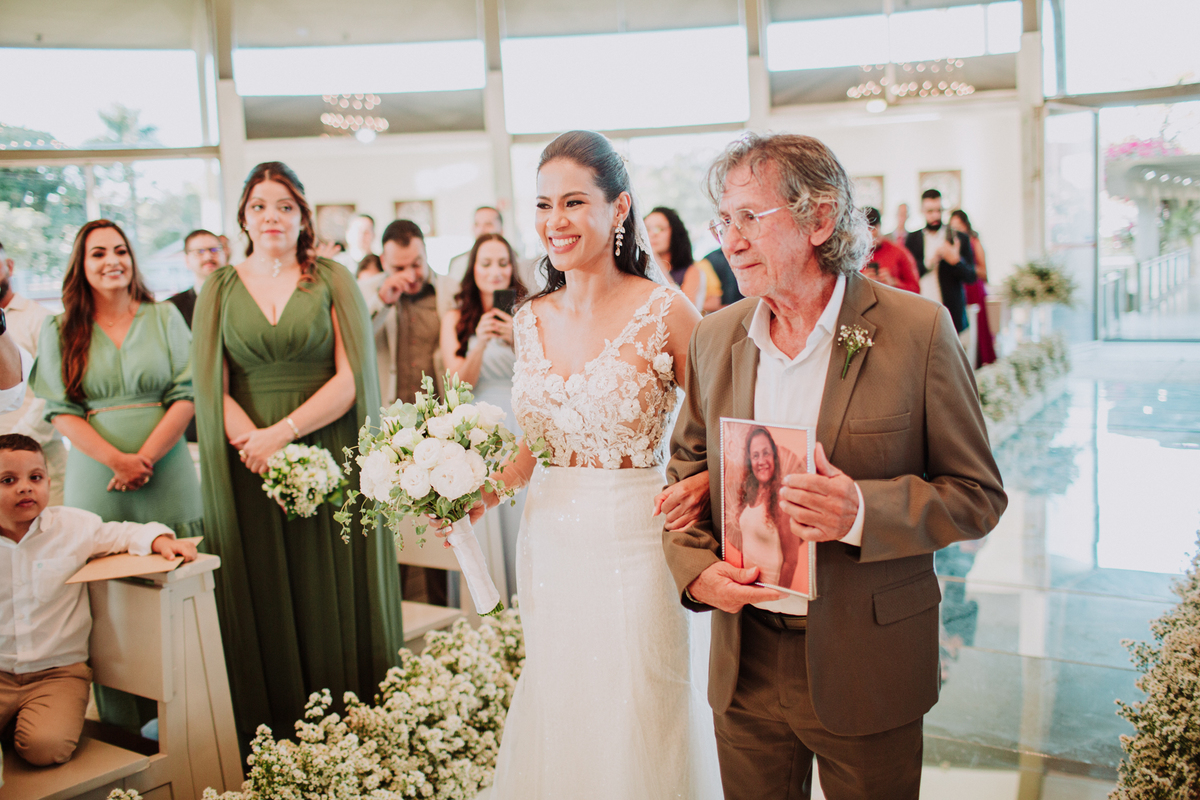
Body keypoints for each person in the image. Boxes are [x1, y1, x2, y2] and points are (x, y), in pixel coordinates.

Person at [663, 133, 1007, 800]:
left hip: (868, 660)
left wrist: (861, 513)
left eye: (750, 219)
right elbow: (684, 475)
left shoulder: (916, 332)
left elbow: (976, 495)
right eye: (723, 221)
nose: (730, 242)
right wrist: (697, 570)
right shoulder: (716, 337)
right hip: (746, 661)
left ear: (820, 219)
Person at [466, 130, 719, 799]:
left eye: (574, 202)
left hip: (637, 537)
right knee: (565, 703)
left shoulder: (665, 310)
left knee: (639, 703)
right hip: (549, 540)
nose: (555, 221)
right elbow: (535, 444)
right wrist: (482, 495)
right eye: (545, 204)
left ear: (619, 208)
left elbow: (727, 426)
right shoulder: (528, 318)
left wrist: (701, 480)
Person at [192, 162, 404, 744]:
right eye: (259, 205)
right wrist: (254, 444)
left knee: (328, 580)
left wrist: (282, 432)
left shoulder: (331, 277)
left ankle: (354, 726)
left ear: (302, 216)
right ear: (243, 216)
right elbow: (211, 385)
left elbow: (352, 378)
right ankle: (275, 734)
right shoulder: (218, 288)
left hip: (328, 445)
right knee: (264, 581)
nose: (271, 216)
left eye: (284, 206)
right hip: (248, 462)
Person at [30, 219, 203, 732]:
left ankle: (194, 716)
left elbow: (187, 391)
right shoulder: (60, 329)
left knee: (180, 584)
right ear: (81, 267)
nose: (112, 260)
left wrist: (145, 457)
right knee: (111, 604)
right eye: (99, 252)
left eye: (121, 250)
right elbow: (59, 410)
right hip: (96, 476)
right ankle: (125, 725)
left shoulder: (163, 315)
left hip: (167, 467)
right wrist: (117, 461)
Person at [0, 434, 196, 766]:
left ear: (48, 480)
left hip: (58, 674)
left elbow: (123, 533)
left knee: (46, 748)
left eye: (35, 478)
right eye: (8, 480)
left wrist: (160, 539)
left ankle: (28, 724)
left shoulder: (72, 527)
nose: (25, 488)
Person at [359, 219, 447, 606]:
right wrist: (382, 298)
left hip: (440, 429)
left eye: (417, 263)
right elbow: (353, 340)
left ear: (426, 253)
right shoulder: (368, 293)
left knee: (440, 524)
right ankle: (395, 607)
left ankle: (442, 607)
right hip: (389, 431)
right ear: (383, 261)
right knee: (395, 527)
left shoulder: (446, 291)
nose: (410, 274)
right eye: (399, 267)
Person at [438, 233, 527, 599]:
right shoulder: (455, 318)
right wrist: (478, 341)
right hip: (477, 429)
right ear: (473, 269)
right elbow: (456, 385)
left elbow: (545, 372)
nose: (494, 272)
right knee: (483, 512)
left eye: (502, 263)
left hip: (520, 423)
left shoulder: (527, 312)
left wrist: (514, 338)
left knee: (519, 515)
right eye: (486, 264)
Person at [0, 240, 66, 504]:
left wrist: (16, 445)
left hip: (40, 460)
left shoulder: (41, 320)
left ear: (10, 266)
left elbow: (54, 390)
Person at [904, 189, 977, 346]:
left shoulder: (959, 237)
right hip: (921, 310)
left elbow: (971, 277)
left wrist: (956, 261)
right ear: (922, 211)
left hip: (951, 313)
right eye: (930, 211)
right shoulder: (912, 238)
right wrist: (929, 262)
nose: (935, 216)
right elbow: (909, 274)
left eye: (939, 210)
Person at [733, 427, 789, 587]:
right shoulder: (750, 492)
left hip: (771, 592)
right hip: (746, 594)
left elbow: (790, 561)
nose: (762, 461)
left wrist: (779, 596)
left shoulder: (782, 497)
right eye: (755, 455)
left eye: (766, 453)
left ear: (774, 455)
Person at [646, 206, 720, 312]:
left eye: (659, 229)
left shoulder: (692, 272)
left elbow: (687, 312)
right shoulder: (638, 272)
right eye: (646, 229)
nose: (652, 234)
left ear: (675, 232)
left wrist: (659, 266)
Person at [436, 206, 504, 316]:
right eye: (477, 225)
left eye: (488, 224)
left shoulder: (516, 262)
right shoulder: (458, 263)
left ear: (501, 230)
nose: (481, 230)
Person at [950, 209, 997, 367]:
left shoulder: (974, 242)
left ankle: (980, 360)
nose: (956, 230)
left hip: (974, 288)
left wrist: (964, 267)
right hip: (960, 290)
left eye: (959, 225)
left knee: (979, 327)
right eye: (953, 226)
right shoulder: (952, 244)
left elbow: (984, 272)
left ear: (966, 225)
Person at [168, 229, 226, 328]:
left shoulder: (243, 295)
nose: (208, 257)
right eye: (200, 252)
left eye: (214, 250)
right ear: (187, 260)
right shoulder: (173, 307)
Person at [862, 207, 920, 293]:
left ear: (880, 227)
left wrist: (894, 284)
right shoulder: (849, 256)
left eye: (874, 235)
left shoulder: (899, 252)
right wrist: (860, 282)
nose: (871, 240)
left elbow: (916, 289)